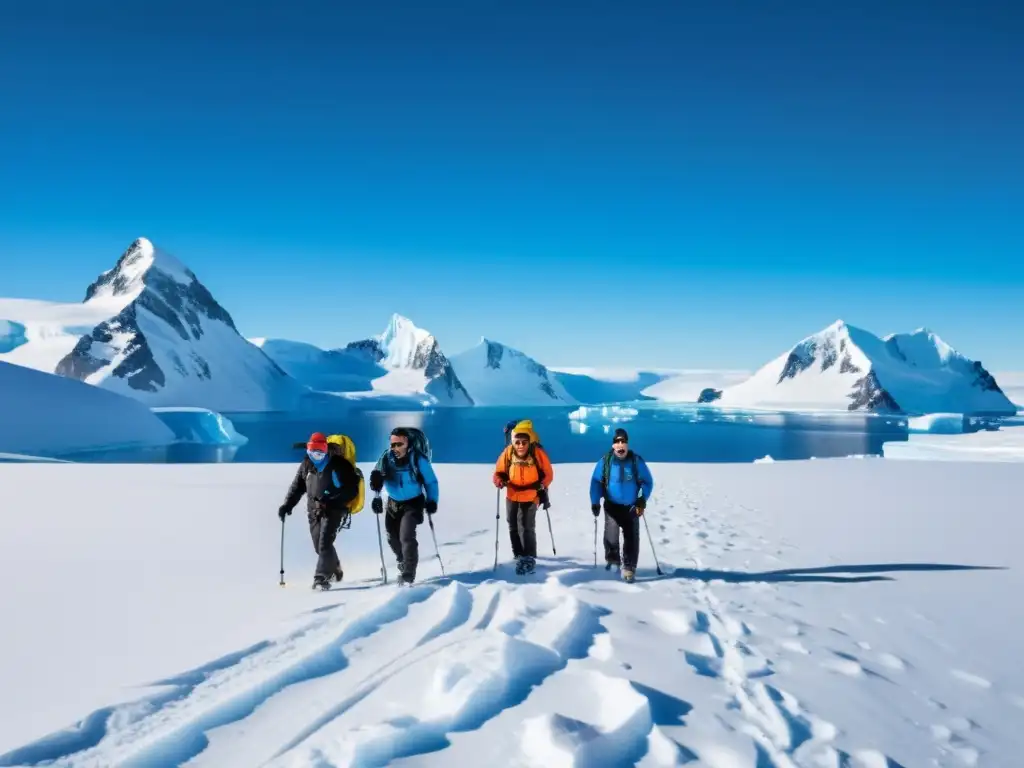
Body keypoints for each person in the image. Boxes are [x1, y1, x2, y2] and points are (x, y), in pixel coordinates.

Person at [279, 432, 361, 589]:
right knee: (319, 546)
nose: (316, 456)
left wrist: (333, 499)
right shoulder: (306, 465)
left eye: (320, 452)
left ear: (326, 450)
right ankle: (334, 567)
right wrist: (287, 505)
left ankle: (321, 577)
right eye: (312, 452)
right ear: (308, 450)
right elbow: (297, 487)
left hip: (335, 509)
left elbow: (352, 490)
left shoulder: (339, 465)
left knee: (324, 543)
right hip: (313, 511)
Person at [368, 427, 439, 585]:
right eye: (393, 444)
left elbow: (430, 481)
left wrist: (432, 500)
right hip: (393, 503)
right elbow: (377, 477)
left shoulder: (418, 459)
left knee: (406, 536)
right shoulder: (386, 458)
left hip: (413, 503)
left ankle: (408, 572)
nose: (395, 448)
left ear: (407, 444)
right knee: (392, 537)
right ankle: (402, 559)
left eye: (399, 444)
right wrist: (376, 495)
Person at [589, 428, 655, 583]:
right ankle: (613, 561)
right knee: (610, 535)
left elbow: (647, 482)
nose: (620, 445)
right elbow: (596, 482)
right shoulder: (605, 461)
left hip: (631, 507)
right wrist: (595, 501)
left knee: (631, 538)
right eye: (617, 442)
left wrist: (642, 499)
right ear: (613, 445)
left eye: (623, 441)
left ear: (627, 444)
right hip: (611, 506)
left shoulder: (635, 461)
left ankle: (629, 567)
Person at [493, 419, 553, 575]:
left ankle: (529, 556)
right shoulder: (508, 452)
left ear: (529, 442)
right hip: (512, 494)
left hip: (531, 494)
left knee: (526, 526)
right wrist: (499, 480)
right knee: (512, 524)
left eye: (523, 442)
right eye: (517, 442)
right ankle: (518, 554)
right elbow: (498, 471)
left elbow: (548, 473)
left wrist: (542, 485)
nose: (520, 445)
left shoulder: (537, 453)